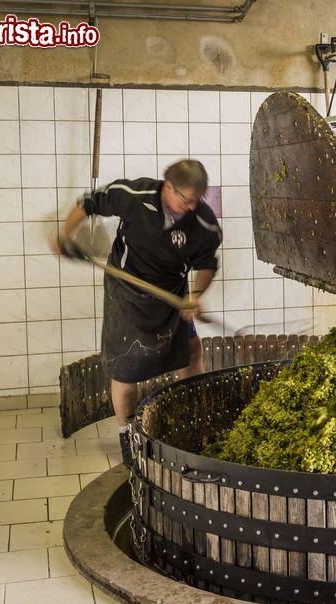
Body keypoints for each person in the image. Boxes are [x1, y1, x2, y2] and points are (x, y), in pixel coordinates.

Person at [51, 159, 221, 467]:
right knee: (125, 369)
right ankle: (127, 434)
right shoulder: (134, 195)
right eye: (185, 200)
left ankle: (192, 414)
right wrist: (66, 234)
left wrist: (195, 295)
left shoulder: (204, 223)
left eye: (196, 201)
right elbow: (89, 202)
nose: (190, 207)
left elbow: (207, 264)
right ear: (167, 187)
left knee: (191, 351)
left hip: (171, 295)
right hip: (125, 292)